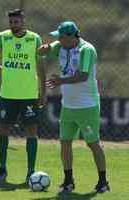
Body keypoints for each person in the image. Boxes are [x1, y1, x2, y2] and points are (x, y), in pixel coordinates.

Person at [38, 21, 110, 193]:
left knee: (93, 143)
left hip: (87, 105)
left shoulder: (87, 50)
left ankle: (103, 182)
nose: (59, 40)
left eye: (61, 37)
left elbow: (83, 76)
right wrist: (43, 49)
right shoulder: (61, 46)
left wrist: (60, 81)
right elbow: (47, 50)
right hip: (68, 105)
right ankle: (68, 181)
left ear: (72, 36)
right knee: (65, 143)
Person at [0, 8, 46, 184]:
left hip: (29, 94)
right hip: (8, 94)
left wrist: (43, 91)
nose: (14, 25)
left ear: (23, 21)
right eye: (11, 22)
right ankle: (2, 169)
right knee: (3, 130)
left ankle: (30, 172)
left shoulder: (34, 38)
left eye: (17, 22)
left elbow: (40, 66)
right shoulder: (3, 37)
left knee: (31, 131)